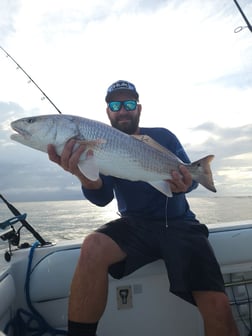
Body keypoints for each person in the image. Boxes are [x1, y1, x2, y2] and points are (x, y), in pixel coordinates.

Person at [48, 80, 239, 336]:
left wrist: (186, 184)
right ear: (108, 112)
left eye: (128, 103)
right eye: (115, 104)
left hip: (180, 224)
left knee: (217, 304)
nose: (122, 110)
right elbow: (102, 198)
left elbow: (186, 178)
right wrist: (83, 175)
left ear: (138, 108)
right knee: (92, 246)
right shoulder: (99, 142)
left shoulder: (163, 136)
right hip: (134, 225)